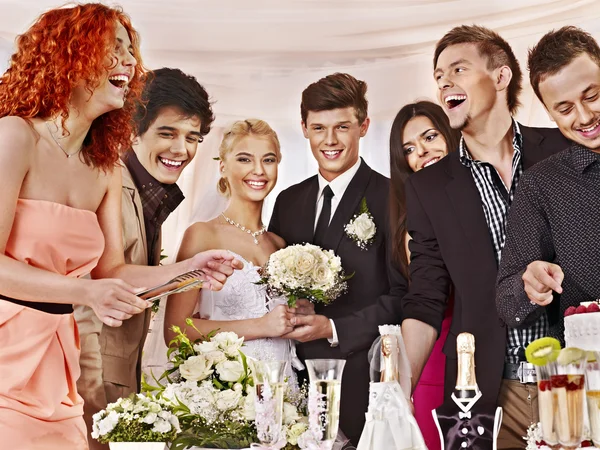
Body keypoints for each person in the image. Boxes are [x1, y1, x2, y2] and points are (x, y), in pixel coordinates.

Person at [0, 5, 238, 449]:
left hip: (60, 359)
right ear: (70, 56)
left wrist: (189, 270)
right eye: (114, 49)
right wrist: (84, 292)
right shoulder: (15, 136)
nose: (129, 63)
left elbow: (112, 273)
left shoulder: (102, 165)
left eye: (131, 52)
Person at [398, 25, 569, 449]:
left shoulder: (564, 149)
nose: (445, 84)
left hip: (577, 380)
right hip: (482, 397)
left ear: (501, 76)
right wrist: (396, 389)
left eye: (458, 69)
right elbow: (425, 296)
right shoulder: (429, 187)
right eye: (439, 77)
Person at [75, 67, 218, 449]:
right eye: (167, 133)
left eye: (192, 138)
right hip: (91, 370)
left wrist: (194, 276)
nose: (181, 150)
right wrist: (191, 268)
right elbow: (108, 277)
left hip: (120, 373)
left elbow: (138, 282)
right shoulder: (111, 182)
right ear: (133, 130)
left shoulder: (146, 188)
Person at [269, 73, 409, 445]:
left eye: (342, 127)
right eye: (318, 127)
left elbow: (403, 295)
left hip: (360, 381)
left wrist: (332, 328)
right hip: (291, 384)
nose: (329, 141)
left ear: (363, 126)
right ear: (303, 128)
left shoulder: (394, 196)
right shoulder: (287, 201)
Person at [164, 119, 314, 378]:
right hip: (227, 389)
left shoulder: (281, 246)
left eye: (268, 160)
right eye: (245, 159)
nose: (259, 170)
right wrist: (261, 326)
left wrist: (300, 315)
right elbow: (175, 332)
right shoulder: (202, 235)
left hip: (283, 388)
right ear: (223, 167)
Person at [496, 26, 600, 344]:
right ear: (548, 112)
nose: (583, 117)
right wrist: (528, 285)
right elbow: (506, 303)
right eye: (565, 109)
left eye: (593, 96)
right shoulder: (540, 185)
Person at [389, 101, 460, 450]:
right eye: (409, 149)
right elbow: (427, 294)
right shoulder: (413, 226)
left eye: (430, 136)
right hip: (434, 356)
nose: (422, 152)